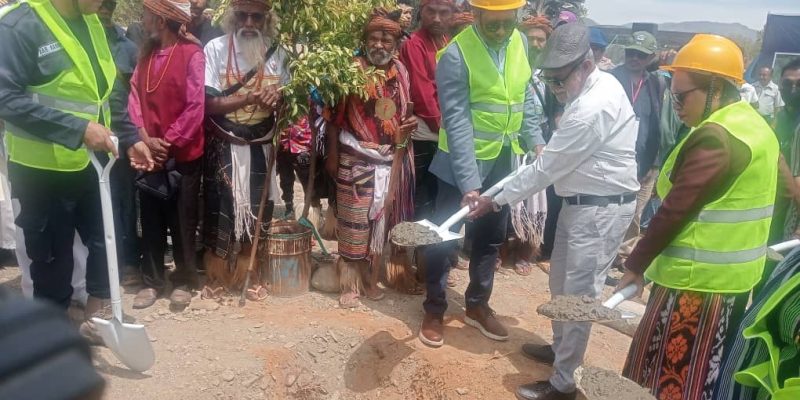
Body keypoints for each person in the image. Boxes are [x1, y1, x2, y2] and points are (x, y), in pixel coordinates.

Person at [469, 23, 640, 400]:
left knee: (577, 295)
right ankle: (562, 350)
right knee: (561, 284)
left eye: (561, 81)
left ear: (586, 64)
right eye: (552, 82)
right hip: (583, 205)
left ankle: (564, 385)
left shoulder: (592, 108)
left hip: (598, 213)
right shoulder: (599, 86)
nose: (557, 90)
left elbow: (544, 172)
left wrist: (493, 200)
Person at [618, 34, 779, 400]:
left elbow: (676, 209)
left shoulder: (717, 138)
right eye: (672, 95)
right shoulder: (752, 124)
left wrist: (635, 265)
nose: (675, 105)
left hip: (695, 287)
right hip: (732, 284)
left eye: (682, 96)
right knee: (707, 371)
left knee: (673, 378)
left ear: (716, 89)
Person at [0, 0, 153, 341]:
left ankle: (93, 319)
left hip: (93, 166)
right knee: (52, 261)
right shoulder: (19, 25)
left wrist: (129, 138)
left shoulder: (94, 23)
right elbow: (5, 98)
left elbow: (108, 92)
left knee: (106, 242)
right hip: (43, 171)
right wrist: (77, 129)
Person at [419, 0, 545, 349]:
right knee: (444, 237)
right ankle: (434, 307)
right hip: (459, 165)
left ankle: (477, 304)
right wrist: (469, 180)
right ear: (476, 16)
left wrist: (535, 140)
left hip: (504, 161)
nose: (502, 31)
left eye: (508, 23)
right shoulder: (455, 55)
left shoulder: (519, 42)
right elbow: (456, 122)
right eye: (493, 25)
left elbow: (526, 99)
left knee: (490, 238)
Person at [325, 10, 416, 308]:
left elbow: (405, 111)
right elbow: (334, 119)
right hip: (355, 158)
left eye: (385, 38)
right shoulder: (351, 70)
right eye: (373, 38)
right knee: (354, 223)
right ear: (364, 41)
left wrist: (408, 126)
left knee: (380, 223)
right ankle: (349, 284)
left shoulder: (401, 72)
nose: (379, 44)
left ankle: (371, 279)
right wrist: (332, 157)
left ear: (395, 43)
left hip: (390, 158)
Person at [201, 0, 289, 301]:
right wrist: (250, 98)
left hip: (260, 143)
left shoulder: (279, 53)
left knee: (257, 209)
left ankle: (249, 272)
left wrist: (277, 96)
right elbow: (209, 104)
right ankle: (217, 275)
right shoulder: (214, 49)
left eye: (257, 17)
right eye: (243, 16)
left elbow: (288, 100)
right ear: (232, 17)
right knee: (221, 207)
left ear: (267, 19)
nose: (249, 23)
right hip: (224, 140)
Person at [128, 0, 205, 309]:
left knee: (183, 219)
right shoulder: (145, 56)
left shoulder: (191, 54)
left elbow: (196, 105)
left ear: (160, 20)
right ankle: (153, 281)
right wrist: (145, 138)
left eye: (147, 13)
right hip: (150, 151)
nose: (142, 18)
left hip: (183, 153)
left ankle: (185, 280)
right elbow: (133, 98)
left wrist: (168, 141)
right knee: (151, 218)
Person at [612, 31, 666, 265]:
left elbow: (658, 123)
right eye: (631, 52)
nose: (634, 58)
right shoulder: (609, 79)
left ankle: (622, 257)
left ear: (651, 57)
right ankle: (606, 255)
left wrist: (653, 162)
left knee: (634, 214)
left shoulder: (657, 83)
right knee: (612, 210)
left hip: (646, 162)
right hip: (615, 160)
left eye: (641, 55)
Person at [98, 0, 142, 282]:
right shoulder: (75, 40)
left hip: (121, 137)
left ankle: (128, 261)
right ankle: (100, 264)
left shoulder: (127, 48)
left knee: (124, 201)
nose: (105, 7)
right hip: (83, 137)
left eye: (110, 3)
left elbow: (135, 97)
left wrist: (134, 136)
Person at [399, 0, 454, 223]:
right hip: (428, 131)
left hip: (446, 129)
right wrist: (443, 127)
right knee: (424, 194)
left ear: (452, 15)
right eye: (431, 11)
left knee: (443, 194)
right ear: (422, 12)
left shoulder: (447, 41)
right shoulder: (414, 43)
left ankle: (437, 249)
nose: (437, 18)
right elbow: (422, 93)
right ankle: (422, 253)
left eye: (443, 13)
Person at [277, 117, 315, 220]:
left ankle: (311, 210)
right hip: (284, 145)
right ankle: (289, 208)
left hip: (302, 146)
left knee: (306, 179)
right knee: (285, 179)